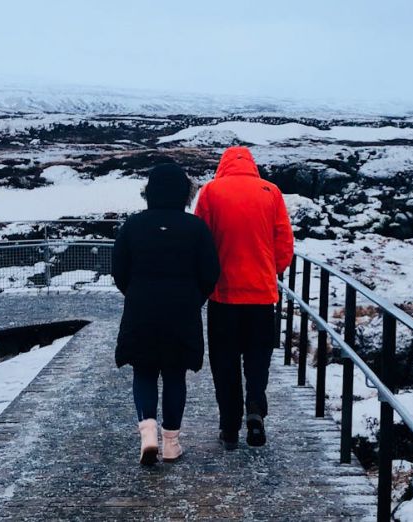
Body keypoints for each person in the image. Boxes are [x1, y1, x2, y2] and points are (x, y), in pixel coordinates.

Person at [112, 163, 220, 465]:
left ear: (150, 191)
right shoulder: (196, 228)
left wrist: (135, 294)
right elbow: (211, 273)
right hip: (182, 312)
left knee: (143, 370)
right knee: (175, 374)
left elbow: (119, 270)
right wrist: (193, 299)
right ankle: (171, 443)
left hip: (141, 309)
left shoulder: (133, 225)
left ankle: (147, 431)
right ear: (185, 194)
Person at [194, 146, 294, 450]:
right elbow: (284, 241)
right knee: (257, 358)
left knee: (224, 363)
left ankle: (229, 427)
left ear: (223, 165)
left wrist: (208, 278)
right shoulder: (271, 191)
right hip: (262, 296)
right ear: (252, 165)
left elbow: (201, 241)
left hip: (223, 296)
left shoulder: (211, 192)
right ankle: (254, 406)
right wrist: (269, 270)